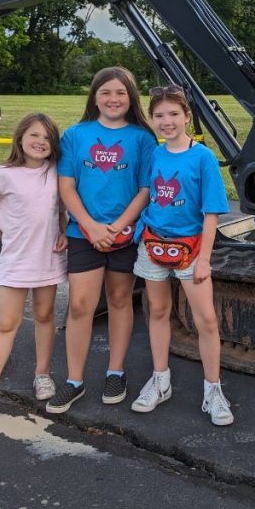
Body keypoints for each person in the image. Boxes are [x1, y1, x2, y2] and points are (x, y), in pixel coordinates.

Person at [46, 67, 156, 414]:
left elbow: (145, 189)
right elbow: (66, 187)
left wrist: (119, 226)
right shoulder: (76, 135)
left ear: (131, 98)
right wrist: (90, 226)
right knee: (80, 305)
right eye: (106, 92)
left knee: (121, 300)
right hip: (83, 234)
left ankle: (115, 371)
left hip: (124, 235)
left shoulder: (142, 139)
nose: (113, 99)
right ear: (94, 97)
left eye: (121, 93)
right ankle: (74, 380)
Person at [131, 84, 233, 426]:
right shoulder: (155, 155)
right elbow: (147, 196)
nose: (166, 121)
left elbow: (212, 212)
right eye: (159, 115)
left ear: (187, 116)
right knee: (158, 311)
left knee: (206, 320)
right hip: (154, 244)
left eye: (174, 113)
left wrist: (204, 258)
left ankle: (213, 391)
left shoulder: (202, 157)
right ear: (152, 119)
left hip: (191, 250)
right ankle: (160, 381)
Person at [0, 113, 68, 425]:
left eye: (47, 138)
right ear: (20, 138)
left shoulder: (55, 173)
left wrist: (63, 231)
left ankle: (42, 373)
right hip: (17, 258)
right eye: (35, 135)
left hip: (48, 256)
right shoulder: (5, 174)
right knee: (8, 322)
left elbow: (61, 209)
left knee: (45, 315)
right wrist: (2, 223)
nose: (41, 142)